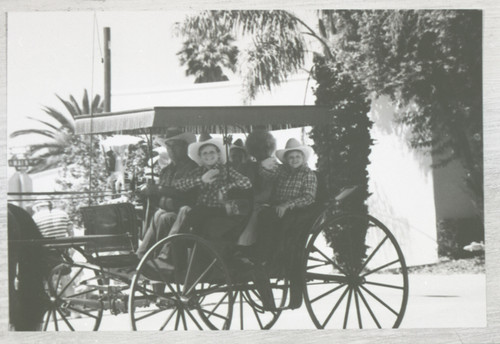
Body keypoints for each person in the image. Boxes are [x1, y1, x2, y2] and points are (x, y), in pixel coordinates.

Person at [256, 138, 318, 268]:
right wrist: (264, 166)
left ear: (303, 158)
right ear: (286, 159)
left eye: (297, 156)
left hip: (297, 210)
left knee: (270, 218)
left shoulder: (308, 174)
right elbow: (266, 174)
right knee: (260, 215)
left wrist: (287, 205)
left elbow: (308, 197)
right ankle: (261, 256)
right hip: (277, 206)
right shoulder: (282, 170)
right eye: (291, 157)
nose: (294, 160)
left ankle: (270, 258)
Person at [136, 130, 198, 259]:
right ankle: (141, 256)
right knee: (157, 214)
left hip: (184, 212)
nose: (171, 149)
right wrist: (146, 192)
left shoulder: (193, 168)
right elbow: (158, 196)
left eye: (175, 145)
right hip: (165, 210)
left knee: (164, 217)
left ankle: (162, 259)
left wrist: (158, 189)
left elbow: (187, 194)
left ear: (185, 146)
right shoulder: (166, 170)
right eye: (168, 146)